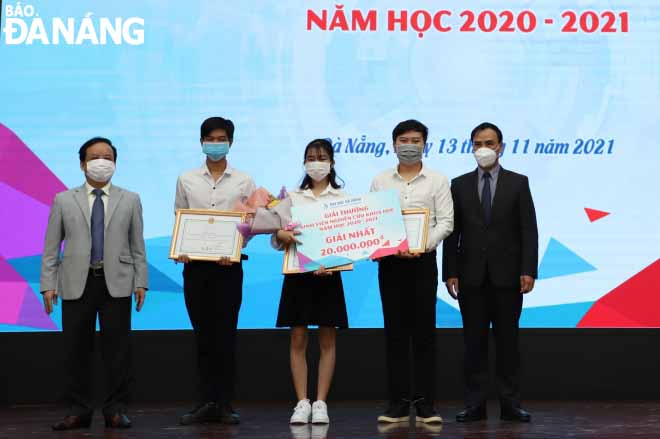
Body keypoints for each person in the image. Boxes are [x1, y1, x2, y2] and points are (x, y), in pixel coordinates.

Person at [40, 137, 148, 430]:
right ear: (82, 164)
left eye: (108, 157)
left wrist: (142, 281)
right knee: (76, 350)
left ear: (115, 163)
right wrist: (48, 284)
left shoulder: (130, 199)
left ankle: (115, 409)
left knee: (118, 351)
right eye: (95, 156)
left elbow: (137, 245)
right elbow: (52, 247)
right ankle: (79, 409)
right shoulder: (64, 199)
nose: (102, 162)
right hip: (77, 281)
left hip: (117, 282)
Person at [442, 122, 538, 423]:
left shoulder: (518, 183)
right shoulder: (458, 185)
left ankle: (511, 404)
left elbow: (528, 231)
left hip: (508, 278)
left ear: (501, 146)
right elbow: (452, 232)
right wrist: (450, 272)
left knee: (508, 343)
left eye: (490, 142)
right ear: (472, 147)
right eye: (478, 143)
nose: (484, 148)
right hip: (470, 278)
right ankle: (475, 405)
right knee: (474, 344)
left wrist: (528, 270)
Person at [370, 120, 454, 424]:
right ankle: (397, 404)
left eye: (415, 140)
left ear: (425, 144)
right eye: (403, 140)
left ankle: (425, 403)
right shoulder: (381, 180)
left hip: (422, 264)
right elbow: (374, 222)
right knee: (394, 334)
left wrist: (424, 245)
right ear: (394, 145)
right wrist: (384, 245)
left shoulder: (437, 180)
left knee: (423, 335)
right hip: (391, 265)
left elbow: (446, 221)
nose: (409, 145)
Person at [175, 116, 256, 425]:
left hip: (228, 269)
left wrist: (235, 247)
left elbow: (248, 224)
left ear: (230, 142)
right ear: (201, 142)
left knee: (225, 337)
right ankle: (204, 401)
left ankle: (224, 403)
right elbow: (180, 217)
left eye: (221, 138)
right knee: (202, 337)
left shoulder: (244, 180)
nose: (215, 143)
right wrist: (181, 248)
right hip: (195, 269)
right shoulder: (186, 179)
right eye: (210, 138)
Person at [273, 138, 349, 425]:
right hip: (298, 276)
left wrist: (334, 261)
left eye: (322, 156)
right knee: (298, 337)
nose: (316, 162)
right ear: (304, 162)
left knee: (328, 337)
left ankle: (321, 403)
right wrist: (280, 235)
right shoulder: (290, 198)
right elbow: (277, 240)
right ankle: (302, 402)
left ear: (331, 162)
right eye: (311, 157)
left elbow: (351, 242)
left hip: (330, 276)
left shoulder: (344, 199)